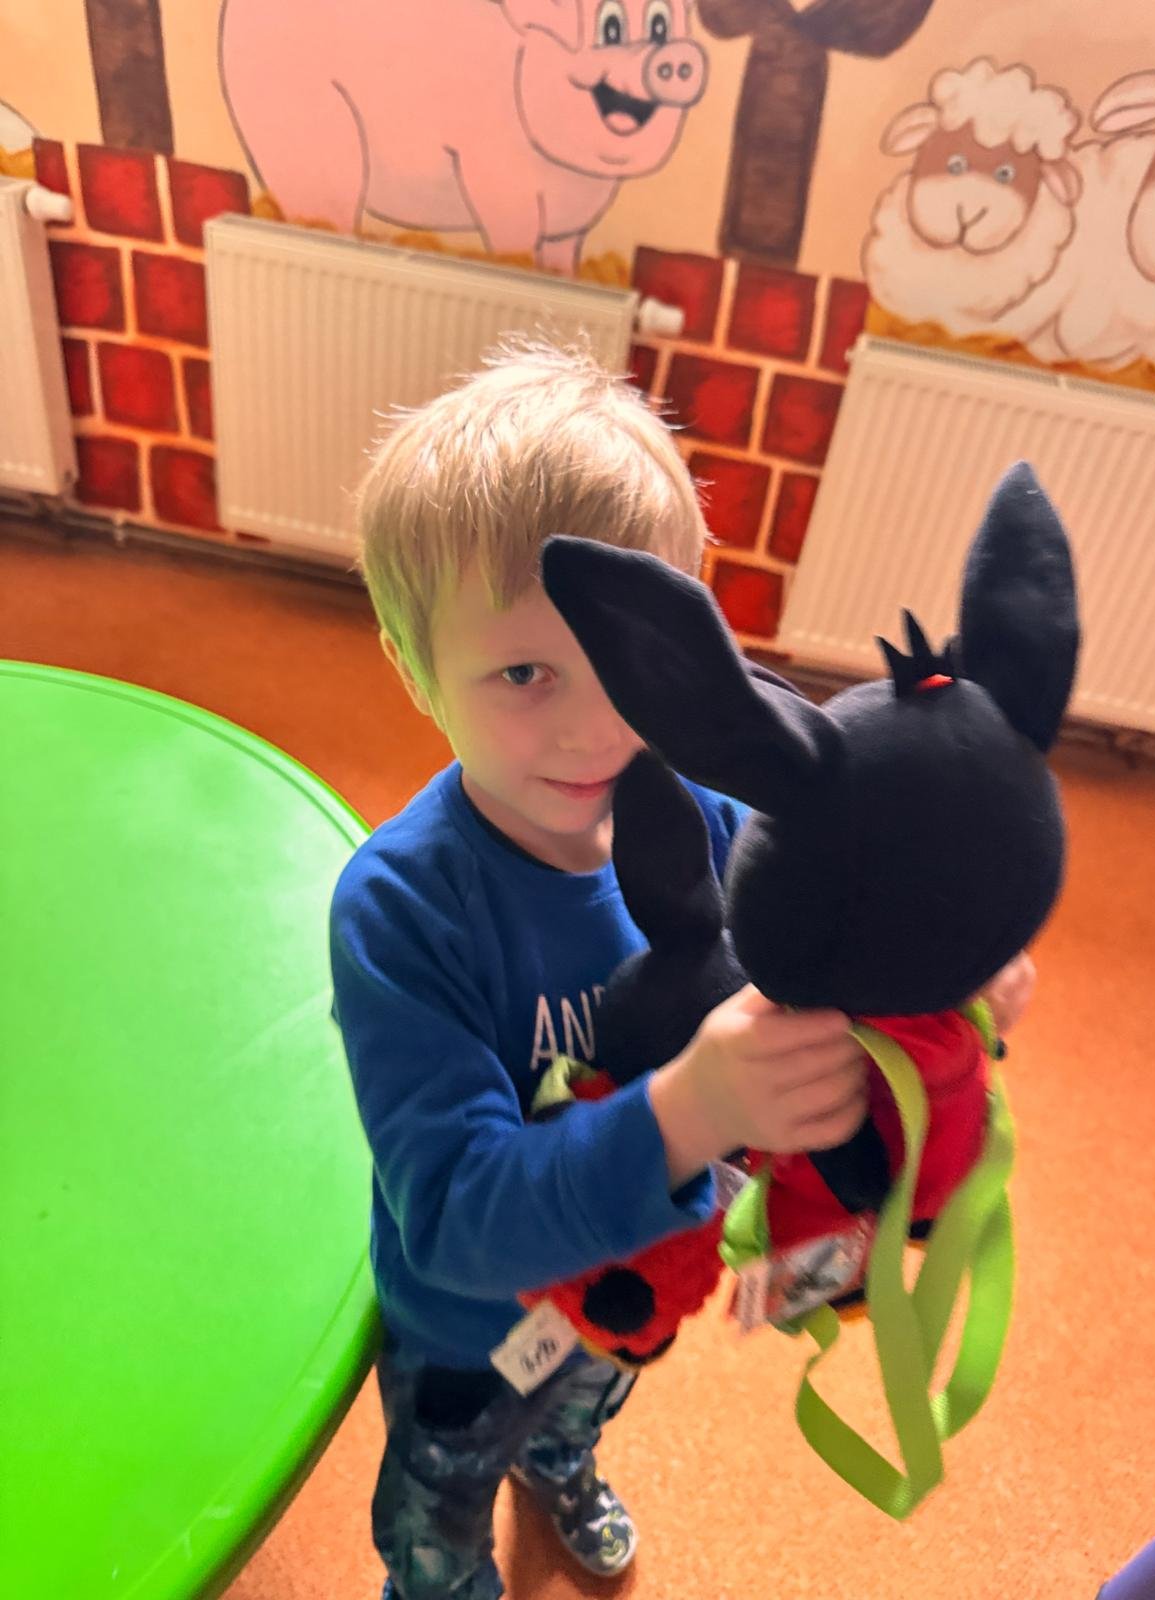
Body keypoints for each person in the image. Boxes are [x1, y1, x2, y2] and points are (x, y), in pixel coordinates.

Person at [329, 339, 1035, 1600]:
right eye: (524, 673)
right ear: (412, 664)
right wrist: (688, 1110)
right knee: (441, 1498)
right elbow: (450, 1213)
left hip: (637, 1280)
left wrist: (947, 975)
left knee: (586, 1398)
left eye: (630, 664)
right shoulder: (401, 909)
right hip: (469, 1334)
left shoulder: (713, 815)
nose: (594, 724)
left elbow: (830, 936)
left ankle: (563, 1461)